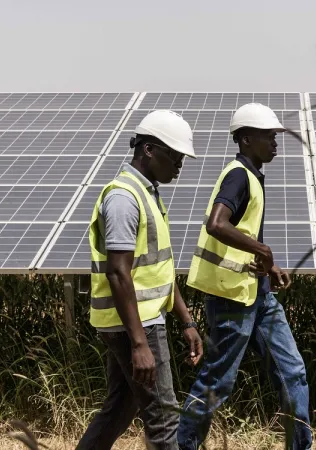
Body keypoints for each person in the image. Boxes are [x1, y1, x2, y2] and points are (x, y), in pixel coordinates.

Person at [177, 103, 312, 449]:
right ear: (246, 139)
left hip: (258, 294)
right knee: (217, 382)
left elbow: (243, 233)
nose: (275, 142)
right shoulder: (238, 175)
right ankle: (183, 445)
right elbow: (217, 224)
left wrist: (269, 265)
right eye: (269, 136)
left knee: (292, 372)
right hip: (231, 298)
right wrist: (263, 251)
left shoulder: (252, 176)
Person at [77, 110, 204, 450]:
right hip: (136, 325)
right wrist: (138, 344)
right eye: (174, 155)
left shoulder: (147, 194)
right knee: (164, 419)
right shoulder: (124, 198)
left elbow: (159, 269)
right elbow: (118, 272)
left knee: (121, 407)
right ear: (148, 149)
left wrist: (187, 320)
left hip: (136, 321)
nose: (179, 164)